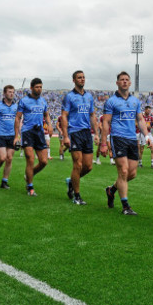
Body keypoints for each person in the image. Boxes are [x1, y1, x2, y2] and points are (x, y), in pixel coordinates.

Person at [101, 72, 152, 216]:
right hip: (118, 137)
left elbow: (140, 120)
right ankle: (125, 206)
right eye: (121, 80)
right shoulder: (111, 101)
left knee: (132, 173)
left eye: (126, 80)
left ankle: (111, 190)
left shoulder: (135, 101)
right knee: (123, 171)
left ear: (130, 83)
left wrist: (147, 135)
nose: (124, 82)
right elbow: (106, 122)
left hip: (132, 139)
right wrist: (104, 143)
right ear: (117, 83)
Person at [61, 70, 99, 205]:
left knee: (88, 166)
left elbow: (92, 116)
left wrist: (96, 134)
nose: (82, 79)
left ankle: (72, 181)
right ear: (74, 80)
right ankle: (76, 196)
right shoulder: (69, 96)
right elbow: (64, 116)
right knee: (78, 164)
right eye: (79, 78)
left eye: (83, 77)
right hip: (74, 132)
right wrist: (65, 135)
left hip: (86, 133)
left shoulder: (89, 97)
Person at [15, 78, 52, 196]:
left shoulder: (43, 101)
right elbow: (18, 118)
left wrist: (50, 125)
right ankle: (30, 187)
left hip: (39, 132)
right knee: (30, 159)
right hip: (28, 132)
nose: (39, 89)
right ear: (31, 88)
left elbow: (46, 114)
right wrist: (17, 135)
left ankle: (29, 174)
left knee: (44, 161)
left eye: (41, 87)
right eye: (37, 87)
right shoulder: (24, 101)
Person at [0, 85, 18, 189]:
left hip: (12, 135)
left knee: (9, 159)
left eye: (13, 92)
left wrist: (18, 136)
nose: (11, 94)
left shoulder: (16, 107)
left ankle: (4, 181)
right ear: (4, 93)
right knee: (2, 158)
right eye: (9, 92)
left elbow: (19, 121)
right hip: (1, 135)